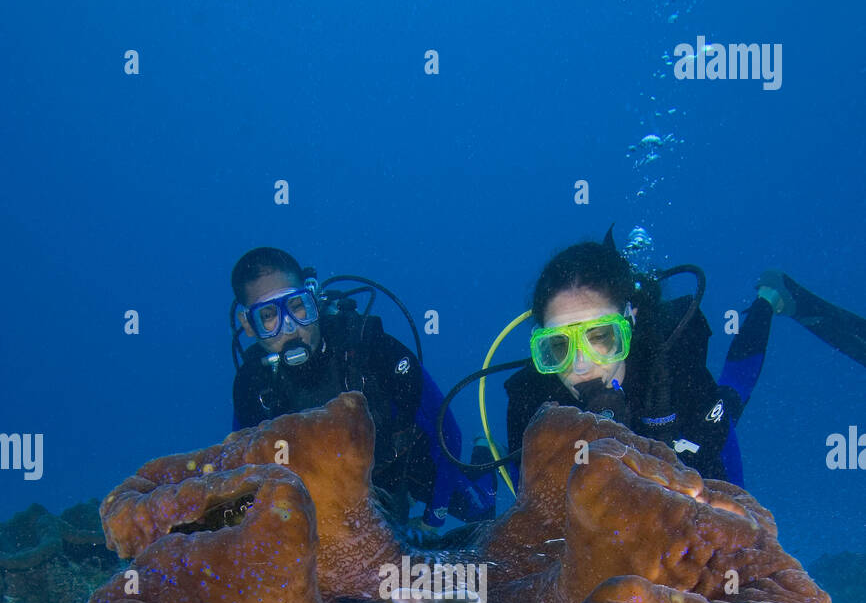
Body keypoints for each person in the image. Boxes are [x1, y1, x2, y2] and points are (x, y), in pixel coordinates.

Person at [230, 246, 494, 530]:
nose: (290, 328)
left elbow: (447, 431)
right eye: (268, 316)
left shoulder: (371, 347)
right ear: (248, 324)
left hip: (400, 468)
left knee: (482, 510)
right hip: (328, 499)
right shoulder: (252, 388)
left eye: (296, 307)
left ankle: (486, 450)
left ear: (314, 301)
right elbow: (246, 470)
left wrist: (435, 517)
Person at [505, 232, 769, 484]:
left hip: (692, 433)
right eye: (560, 345)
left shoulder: (672, 366)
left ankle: (767, 299)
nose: (581, 365)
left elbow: (727, 493)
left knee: (732, 396)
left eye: (600, 337)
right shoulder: (531, 409)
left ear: (629, 323)